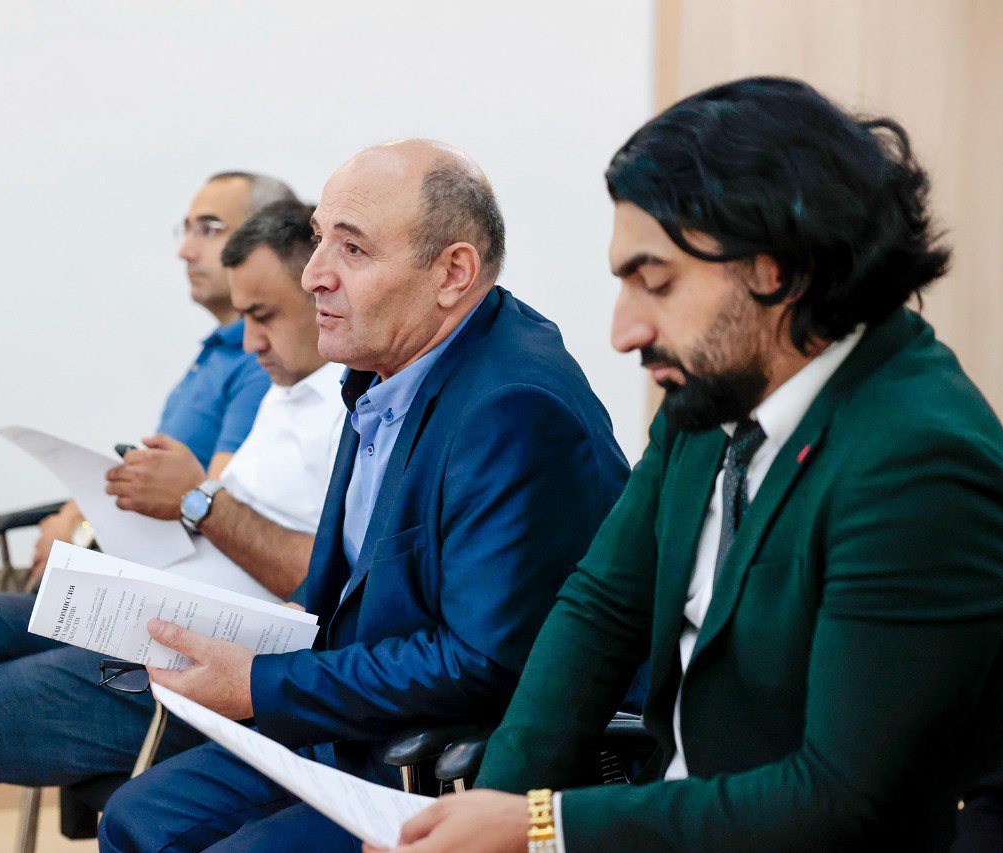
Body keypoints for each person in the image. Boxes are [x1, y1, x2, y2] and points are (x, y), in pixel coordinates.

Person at [380, 77, 1003, 853]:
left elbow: (841, 800)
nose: (624, 331)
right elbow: (601, 610)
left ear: (775, 269)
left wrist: (539, 827)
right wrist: (488, 811)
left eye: (656, 282)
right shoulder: (712, 394)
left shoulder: (919, 464)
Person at [96, 138, 630, 852]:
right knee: (136, 817)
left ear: (452, 273)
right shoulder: (382, 367)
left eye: (352, 249)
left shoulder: (514, 408)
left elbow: (484, 663)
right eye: (320, 239)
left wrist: (261, 682)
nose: (314, 275)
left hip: (439, 760)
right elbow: (352, 584)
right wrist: (267, 631)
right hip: (351, 718)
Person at [0, 199, 346, 853]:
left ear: (319, 295)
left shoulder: (347, 411)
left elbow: (324, 578)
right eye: (244, 317)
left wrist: (195, 500)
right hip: (139, 611)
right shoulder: (283, 393)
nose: (250, 342)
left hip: (175, 667)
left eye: (264, 316)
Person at [0, 171, 291, 702]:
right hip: (99, 561)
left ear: (265, 239)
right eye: (183, 229)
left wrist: (84, 528)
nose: (185, 249)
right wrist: (72, 513)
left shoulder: (260, 365)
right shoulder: (212, 355)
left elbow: (212, 498)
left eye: (208, 229)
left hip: (130, 583)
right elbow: (153, 476)